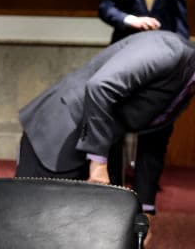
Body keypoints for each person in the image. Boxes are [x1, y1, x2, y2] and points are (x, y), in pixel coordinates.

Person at [16, 29, 195, 215]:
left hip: (104, 142)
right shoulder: (169, 50)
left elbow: (155, 140)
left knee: (101, 228)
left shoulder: (187, 83)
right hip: (60, 132)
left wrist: (145, 209)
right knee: (32, 220)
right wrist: (98, 163)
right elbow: (101, 87)